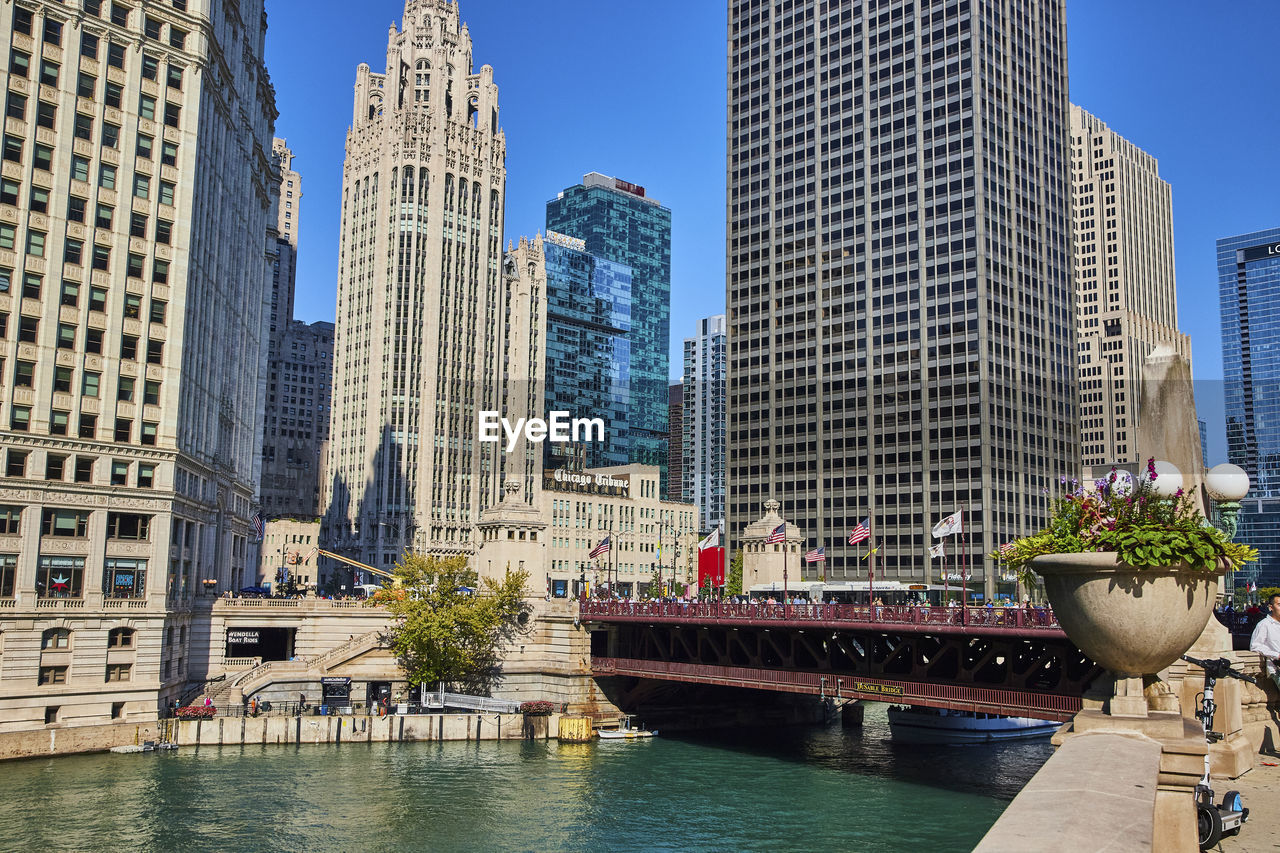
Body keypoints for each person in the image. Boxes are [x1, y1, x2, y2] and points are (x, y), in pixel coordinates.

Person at [1249, 592, 1280, 692]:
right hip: (1277, 669)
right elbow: (1255, 646)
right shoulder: (1264, 625)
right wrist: (1276, 655)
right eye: (1279, 605)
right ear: (1271, 607)